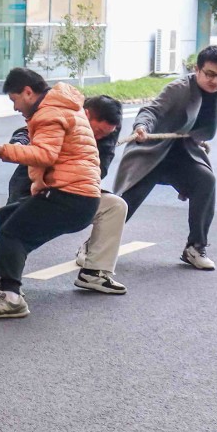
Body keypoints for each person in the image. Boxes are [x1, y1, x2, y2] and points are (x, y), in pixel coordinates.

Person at [0, 68, 101, 320]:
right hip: (77, 195)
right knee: (1, 220)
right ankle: (0, 283)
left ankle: (12, 298)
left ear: (28, 92)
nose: (15, 108)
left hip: (70, 196)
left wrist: (2, 150)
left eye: (14, 100)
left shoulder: (49, 112)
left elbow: (45, 154)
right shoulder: (62, 105)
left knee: (12, 234)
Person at [113, 46, 217, 271]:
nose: (215, 81)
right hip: (152, 152)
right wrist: (141, 127)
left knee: (206, 181)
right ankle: (93, 246)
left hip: (184, 153)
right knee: (126, 201)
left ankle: (195, 247)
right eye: (209, 74)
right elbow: (150, 111)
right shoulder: (179, 89)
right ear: (197, 69)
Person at [71, 95, 129, 294]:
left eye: (105, 134)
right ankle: (5, 283)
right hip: (38, 190)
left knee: (116, 206)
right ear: (86, 115)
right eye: (97, 131)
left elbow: (101, 168)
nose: (100, 137)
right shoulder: (65, 116)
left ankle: (93, 273)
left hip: (77, 188)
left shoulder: (108, 132)